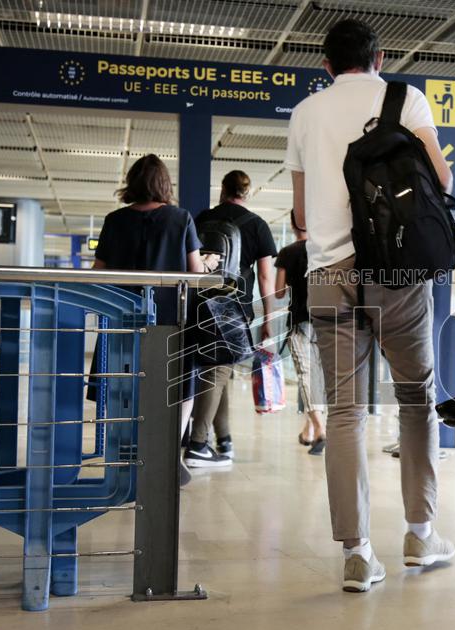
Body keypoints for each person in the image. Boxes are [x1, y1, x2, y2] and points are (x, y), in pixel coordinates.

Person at [285, 18, 455, 593]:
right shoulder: (406, 99)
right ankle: (420, 533)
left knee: (344, 413)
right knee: (416, 399)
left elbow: (301, 215)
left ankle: (357, 555)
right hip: (397, 271)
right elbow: (440, 177)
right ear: (379, 58)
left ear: (326, 65)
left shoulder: (305, 113)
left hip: (328, 274)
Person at [92, 154, 205, 488]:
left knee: (123, 386)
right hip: (171, 322)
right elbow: (195, 273)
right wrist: (209, 265)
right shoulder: (181, 219)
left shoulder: (115, 220)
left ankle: (128, 451)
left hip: (122, 319)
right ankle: (169, 452)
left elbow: (99, 273)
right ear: (164, 184)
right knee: (182, 387)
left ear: (132, 183)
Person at [185, 170, 277, 468]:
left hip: (199, 303)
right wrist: (268, 317)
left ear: (223, 190)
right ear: (247, 194)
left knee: (216, 368)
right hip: (233, 307)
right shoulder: (258, 225)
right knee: (218, 370)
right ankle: (197, 444)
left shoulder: (202, 219)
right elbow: (265, 277)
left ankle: (223, 440)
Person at [275, 210, 326, 455]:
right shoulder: (323, 250)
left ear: (293, 225)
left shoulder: (287, 253)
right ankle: (309, 430)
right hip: (325, 322)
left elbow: (278, 292)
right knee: (318, 378)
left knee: (306, 376)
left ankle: (321, 429)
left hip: (300, 322)